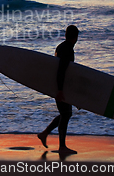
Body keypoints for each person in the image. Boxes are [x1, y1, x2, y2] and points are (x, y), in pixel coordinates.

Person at [37, 25, 79, 154]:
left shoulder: (61, 46)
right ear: (76, 37)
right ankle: (61, 146)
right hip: (60, 87)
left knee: (65, 114)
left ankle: (45, 134)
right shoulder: (67, 50)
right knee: (66, 114)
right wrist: (60, 90)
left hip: (59, 86)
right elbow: (61, 70)